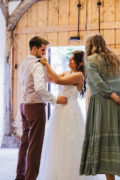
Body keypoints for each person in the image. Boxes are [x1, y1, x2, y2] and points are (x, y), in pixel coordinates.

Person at [15, 36, 67, 180]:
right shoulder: (37, 64)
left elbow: (45, 79)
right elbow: (39, 87)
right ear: (34, 48)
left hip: (24, 105)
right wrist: (54, 99)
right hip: (36, 106)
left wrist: (64, 75)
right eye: (42, 50)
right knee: (35, 145)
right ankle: (30, 177)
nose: (44, 53)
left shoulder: (24, 63)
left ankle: (19, 176)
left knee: (24, 143)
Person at [38, 50, 87, 180]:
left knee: (69, 143)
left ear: (80, 63)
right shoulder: (67, 72)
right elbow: (50, 79)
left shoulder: (79, 75)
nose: (69, 61)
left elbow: (58, 80)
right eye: (69, 59)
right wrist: (42, 66)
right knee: (57, 142)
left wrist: (47, 64)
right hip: (59, 111)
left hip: (70, 112)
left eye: (72, 59)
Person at [79, 33, 120, 180]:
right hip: (117, 104)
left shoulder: (90, 60)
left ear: (89, 45)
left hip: (103, 105)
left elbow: (98, 83)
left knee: (106, 146)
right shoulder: (115, 59)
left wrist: (112, 95)